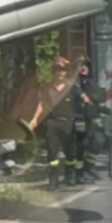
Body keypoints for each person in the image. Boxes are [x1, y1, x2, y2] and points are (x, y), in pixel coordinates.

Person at [27, 56, 77, 189]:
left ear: (67, 72)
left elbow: (80, 104)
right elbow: (41, 104)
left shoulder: (72, 88)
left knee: (70, 152)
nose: (60, 73)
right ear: (53, 71)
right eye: (57, 70)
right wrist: (34, 119)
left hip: (68, 123)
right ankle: (53, 180)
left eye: (63, 70)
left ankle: (70, 176)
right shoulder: (47, 88)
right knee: (52, 153)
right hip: (52, 124)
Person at [73, 56, 107, 182]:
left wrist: (105, 110)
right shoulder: (74, 83)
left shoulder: (92, 81)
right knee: (81, 146)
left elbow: (99, 98)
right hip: (79, 118)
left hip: (92, 118)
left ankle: (89, 167)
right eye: (81, 65)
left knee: (99, 141)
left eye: (86, 65)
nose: (83, 67)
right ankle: (79, 173)